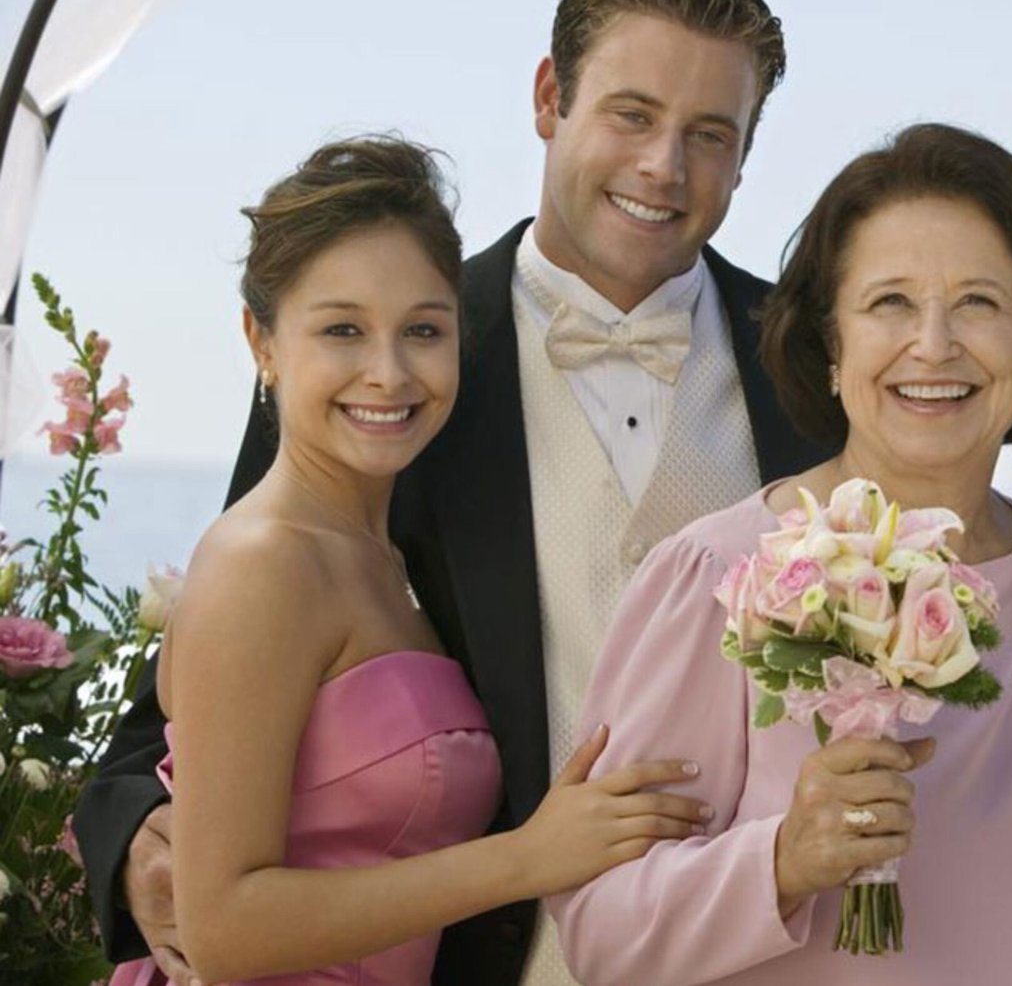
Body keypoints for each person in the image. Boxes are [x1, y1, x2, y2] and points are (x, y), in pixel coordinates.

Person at [74, 0, 829, 986]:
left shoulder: (815, 362)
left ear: (745, 156)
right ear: (548, 97)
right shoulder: (397, 361)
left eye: (710, 134)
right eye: (630, 113)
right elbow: (195, 690)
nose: (664, 165)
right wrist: (141, 836)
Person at [547, 123, 1012, 985]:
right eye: (890, 303)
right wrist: (784, 859)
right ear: (832, 346)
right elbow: (604, 934)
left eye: (979, 302)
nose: (935, 344)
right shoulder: (717, 578)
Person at [104, 137, 711, 986]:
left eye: (423, 329)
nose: (388, 373)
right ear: (262, 341)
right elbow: (222, 928)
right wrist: (531, 856)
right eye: (343, 329)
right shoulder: (262, 565)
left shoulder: (383, 557)